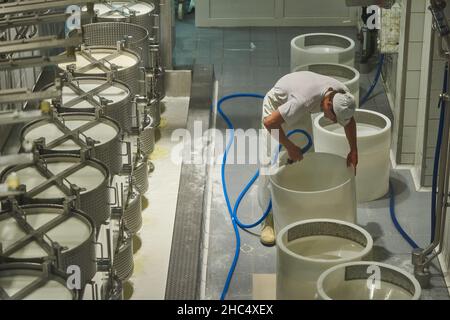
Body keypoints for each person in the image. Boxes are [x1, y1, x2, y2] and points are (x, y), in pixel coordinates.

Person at [258, 71, 358, 246]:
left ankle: (300, 205)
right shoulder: (304, 101)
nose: (333, 121)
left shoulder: (343, 96)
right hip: (276, 107)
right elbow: (269, 123)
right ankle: (268, 220)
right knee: (271, 165)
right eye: (332, 117)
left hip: (299, 109)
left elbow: (349, 120)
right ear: (327, 103)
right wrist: (289, 146)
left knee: (306, 157)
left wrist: (354, 149)